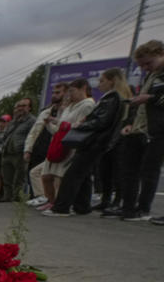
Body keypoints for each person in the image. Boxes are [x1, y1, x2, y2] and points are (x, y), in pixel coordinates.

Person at [44, 69, 129, 217]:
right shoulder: (110, 98)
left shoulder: (112, 98)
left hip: (94, 141)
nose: (99, 84)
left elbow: (102, 121)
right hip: (96, 142)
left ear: (112, 81)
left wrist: (81, 124)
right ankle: (82, 206)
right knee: (83, 175)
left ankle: (61, 208)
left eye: (102, 80)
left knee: (73, 174)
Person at [115, 40, 164, 223]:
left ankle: (143, 209)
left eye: (148, 63)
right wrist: (129, 122)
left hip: (157, 129)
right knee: (129, 169)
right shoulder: (150, 76)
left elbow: (154, 99)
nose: (145, 68)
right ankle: (128, 207)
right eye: (142, 65)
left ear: (161, 54)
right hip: (138, 127)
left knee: (149, 170)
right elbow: (138, 104)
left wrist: (150, 98)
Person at [34, 80, 94, 211]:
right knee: (46, 176)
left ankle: (63, 204)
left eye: (72, 91)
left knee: (61, 177)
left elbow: (81, 127)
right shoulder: (69, 107)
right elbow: (58, 130)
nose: (69, 95)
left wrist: (61, 124)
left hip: (70, 147)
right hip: (58, 144)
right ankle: (52, 201)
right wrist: (49, 124)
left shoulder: (87, 105)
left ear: (82, 89)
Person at [24, 83, 67, 206]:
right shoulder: (46, 112)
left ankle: (55, 203)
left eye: (58, 92)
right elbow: (34, 132)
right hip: (45, 149)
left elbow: (62, 130)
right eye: (53, 92)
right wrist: (28, 149)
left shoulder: (67, 111)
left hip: (61, 149)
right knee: (36, 173)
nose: (54, 95)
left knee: (56, 178)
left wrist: (53, 122)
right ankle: (44, 198)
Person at [0, 97, 36, 202]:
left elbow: (32, 136)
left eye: (24, 106)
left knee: (19, 178)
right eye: (19, 106)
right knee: (6, 177)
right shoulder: (14, 121)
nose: (20, 108)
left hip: (19, 153)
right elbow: (6, 134)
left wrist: (28, 150)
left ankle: (17, 197)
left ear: (29, 108)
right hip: (7, 152)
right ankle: (7, 196)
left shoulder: (32, 121)